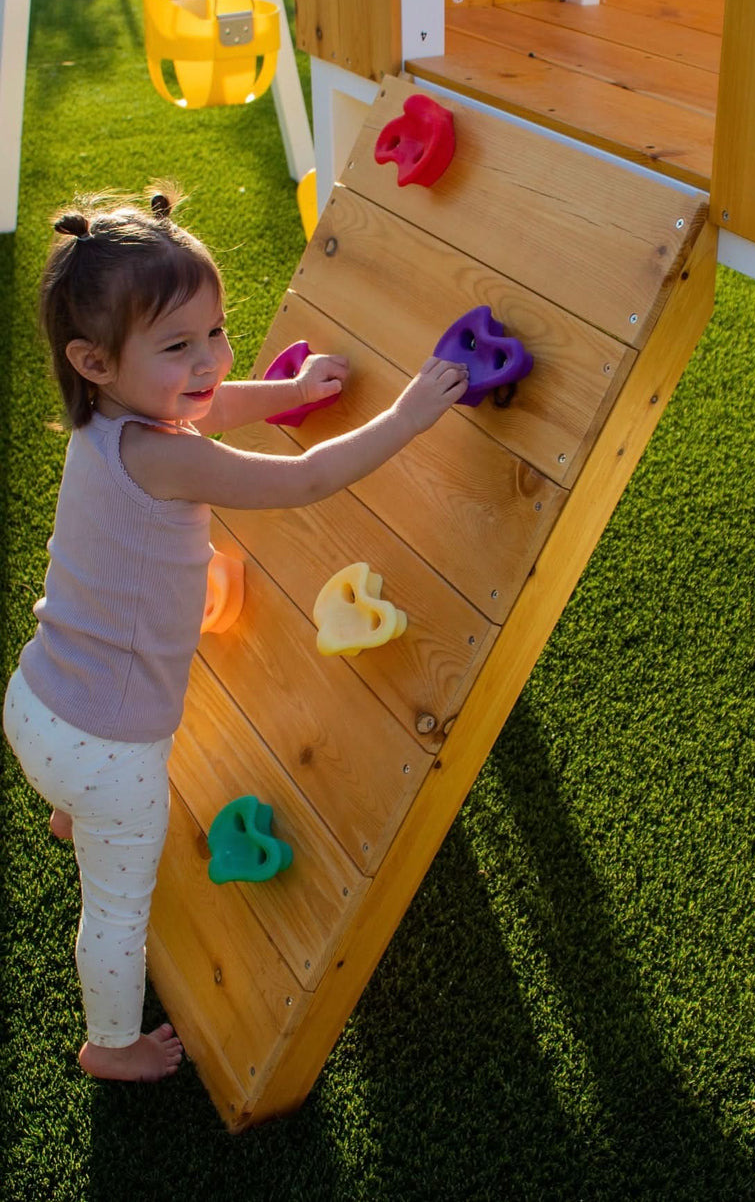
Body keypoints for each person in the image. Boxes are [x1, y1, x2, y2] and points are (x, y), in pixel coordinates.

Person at [2, 186, 468, 1085]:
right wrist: (405, 417)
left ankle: (68, 812)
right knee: (117, 913)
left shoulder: (112, 421)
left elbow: (209, 406)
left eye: (216, 332)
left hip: (37, 700)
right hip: (110, 750)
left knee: (85, 794)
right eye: (180, 346)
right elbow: (303, 484)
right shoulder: (164, 454)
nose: (211, 359)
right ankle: (111, 1043)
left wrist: (288, 391)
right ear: (94, 360)